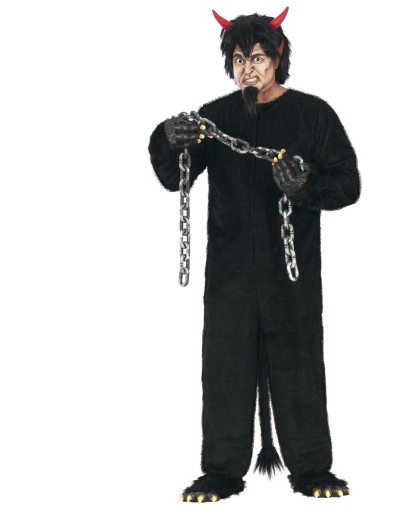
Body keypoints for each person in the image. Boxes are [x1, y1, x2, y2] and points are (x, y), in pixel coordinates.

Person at [147, 7, 361, 502]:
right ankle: (221, 472)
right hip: (230, 272)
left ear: (277, 58)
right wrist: (169, 136)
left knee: (299, 360)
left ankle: (312, 469)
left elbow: (348, 183)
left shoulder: (313, 115)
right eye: (240, 59)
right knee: (225, 363)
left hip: (292, 270)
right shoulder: (216, 118)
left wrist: (305, 186)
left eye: (258, 57)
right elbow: (172, 176)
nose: (249, 69)